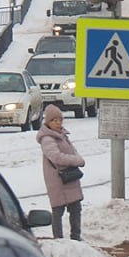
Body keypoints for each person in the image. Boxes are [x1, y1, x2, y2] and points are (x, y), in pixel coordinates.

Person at [37, 103, 85, 241]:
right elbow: (56, 157)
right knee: (58, 209)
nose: (58, 123)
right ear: (48, 122)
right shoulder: (47, 138)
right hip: (57, 179)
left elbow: (73, 150)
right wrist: (76, 160)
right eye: (54, 120)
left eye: (60, 120)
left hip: (69, 177)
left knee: (75, 207)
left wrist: (77, 158)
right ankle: (58, 239)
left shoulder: (62, 135)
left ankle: (76, 237)